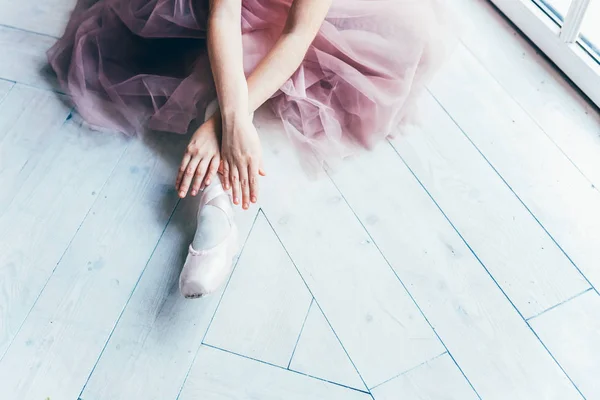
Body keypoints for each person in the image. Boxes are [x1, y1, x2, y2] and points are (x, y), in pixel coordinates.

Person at [48, 0, 454, 298]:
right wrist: (234, 118)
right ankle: (216, 202)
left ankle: (217, 201)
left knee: (271, 44)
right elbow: (223, 15)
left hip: (304, 16)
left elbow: (297, 34)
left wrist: (225, 124)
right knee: (228, 42)